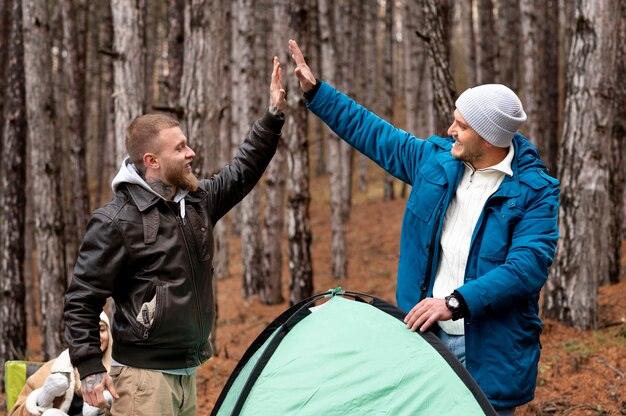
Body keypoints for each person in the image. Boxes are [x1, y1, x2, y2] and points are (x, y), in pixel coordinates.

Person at [288, 40, 559, 415]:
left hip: (490, 354)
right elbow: (375, 134)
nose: (450, 130)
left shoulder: (535, 192)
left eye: (461, 126)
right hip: (425, 340)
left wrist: (454, 303)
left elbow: (526, 268)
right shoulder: (435, 163)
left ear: (489, 137)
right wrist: (317, 93)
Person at [63, 57, 287, 415]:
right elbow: (81, 300)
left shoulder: (196, 202)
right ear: (151, 160)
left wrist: (273, 115)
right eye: (180, 148)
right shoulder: (116, 221)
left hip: (185, 373)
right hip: (142, 381)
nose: (191, 153)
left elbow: (244, 169)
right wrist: (89, 367)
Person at [10, 312, 113, 416]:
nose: (94, 337)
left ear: (109, 334)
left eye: (101, 329)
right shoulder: (52, 369)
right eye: (86, 331)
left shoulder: (121, 372)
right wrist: (43, 397)